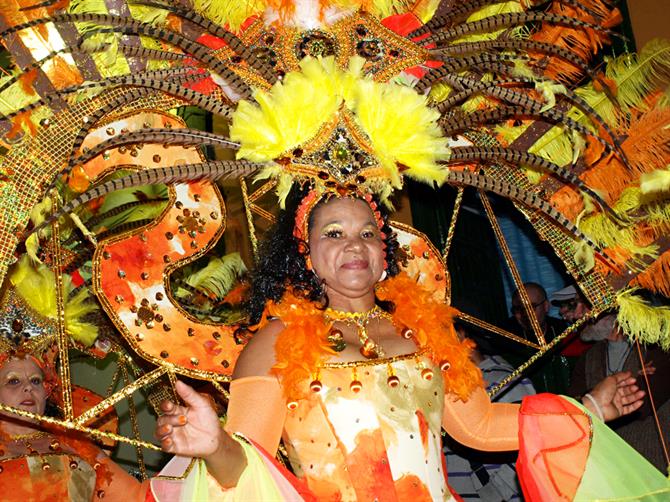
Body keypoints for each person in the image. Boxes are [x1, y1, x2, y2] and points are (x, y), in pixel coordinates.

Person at [153, 188, 660, 501]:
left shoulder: (425, 330)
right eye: (334, 233)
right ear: (306, 254)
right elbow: (248, 470)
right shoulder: (273, 342)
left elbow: (480, 428)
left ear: (383, 250)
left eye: (368, 232)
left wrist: (591, 406)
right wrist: (215, 444)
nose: (354, 245)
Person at [0, 352, 146, 501]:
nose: (28, 387)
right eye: (13, 381)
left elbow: (137, 496)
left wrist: (172, 449)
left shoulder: (77, 446)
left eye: (36, 381)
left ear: (46, 391)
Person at [556, 286, 670, 472]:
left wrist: (595, 399)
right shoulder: (588, 357)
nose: (569, 316)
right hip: (609, 471)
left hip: (655, 470)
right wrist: (633, 378)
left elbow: (644, 403)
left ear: (609, 305)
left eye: (574, 305)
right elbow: (574, 406)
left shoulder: (657, 346)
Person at [444, 323, 536, 501]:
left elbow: (531, 441)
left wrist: (494, 492)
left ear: (460, 334)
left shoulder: (504, 380)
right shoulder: (447, 385)